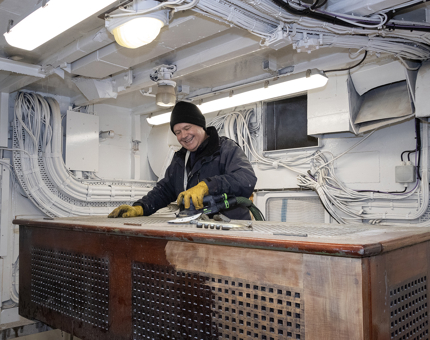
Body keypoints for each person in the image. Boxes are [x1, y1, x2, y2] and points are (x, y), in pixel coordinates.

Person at [108, 101, 257, 220]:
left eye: (187, 128)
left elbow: (246, 178)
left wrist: (207, 186)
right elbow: (165, 190)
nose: (183, 135)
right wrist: (140, 207)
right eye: (178, 132)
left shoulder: (225, 148)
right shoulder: (181, 158)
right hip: (195, 230)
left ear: (201, 126)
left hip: (231, 230)